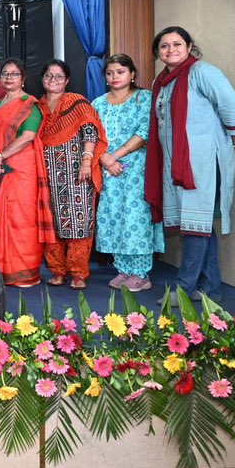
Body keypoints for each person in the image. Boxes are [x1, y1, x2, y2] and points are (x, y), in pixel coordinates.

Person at [146, 27, 235, 303]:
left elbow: (232, 105)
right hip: (176, 163)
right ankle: (210, 289)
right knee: (200, 225)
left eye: (177, 44)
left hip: (201, 162)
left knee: (195, 225)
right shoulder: (161, 80)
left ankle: (183, 288)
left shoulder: (202, 72)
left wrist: (234, 132)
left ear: (189, 46)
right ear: (158, 52)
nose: (171, 50)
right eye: (164, 46)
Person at [91, 54, 163, 292]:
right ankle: (123, 269)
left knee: (136, 218)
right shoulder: (98, 103)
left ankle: (140, 274)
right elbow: (92, 136)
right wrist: (105, 158)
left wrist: (115, 156)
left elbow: (144, 132)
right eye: (110, 73)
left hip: (137, 169)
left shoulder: (144, 98)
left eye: (120, 72)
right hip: (108, 170)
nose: (115, 76)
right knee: (113, 217)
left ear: (132, 74)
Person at [36, 59, 108, 290]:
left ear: (66, 80)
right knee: (51, 223)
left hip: (77, 174)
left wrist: (87, 161)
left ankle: (78, 273)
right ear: (42, 79)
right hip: (47, 175)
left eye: (58, 76)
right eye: (49, 75)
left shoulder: (77, 102)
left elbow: (90, 131)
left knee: (79, 223)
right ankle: (57, 271)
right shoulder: (38, 106)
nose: (53, 80)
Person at [0, 58, 47, 287]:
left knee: (22, 220)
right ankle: (0, 269)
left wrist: (1, 156)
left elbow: (28, 136)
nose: (9, 78)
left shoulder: (30, 104)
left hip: (21, 170)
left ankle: (24, 272)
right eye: (5, 74)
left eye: (14, 74)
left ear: (23, 79)